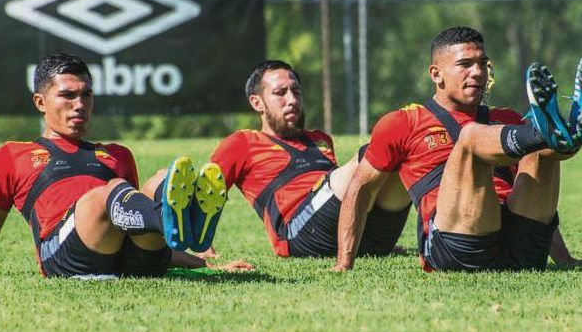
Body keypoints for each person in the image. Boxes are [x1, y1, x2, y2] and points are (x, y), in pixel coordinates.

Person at [0, 53, 252, 279]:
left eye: (87, 94)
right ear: (40, 103)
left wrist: (205, 264)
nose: (80, 104)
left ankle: (180, 226)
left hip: (131, 259)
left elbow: (134, 222)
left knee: (159, 181)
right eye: (68, 95)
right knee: (111, 192)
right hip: (64, 256)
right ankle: (179, 221)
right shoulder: (12, 155)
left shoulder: (118, 154)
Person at [333, 26, 582, 272]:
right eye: (465, 64)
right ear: (436, 74)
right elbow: (360, 188)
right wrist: (344, 263)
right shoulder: (404, 122)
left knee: (541, 152)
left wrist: (566, 260)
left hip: (521, 247)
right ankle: (551, 131)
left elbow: (534, 188)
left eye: (482, 63)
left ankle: (573, 132)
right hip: (459, 246)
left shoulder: (507, 120)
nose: (478, 72)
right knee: (472, 137)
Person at [169, 60, 414, 258]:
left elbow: (351, 192)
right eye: (280, 93)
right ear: (257, 103)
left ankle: (436, 235)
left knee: (401, 153)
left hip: (358, 237)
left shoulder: (320, 139)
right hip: (297, 235)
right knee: (370, 154)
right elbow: (206, 195)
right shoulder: (241, 143)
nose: (292, 100)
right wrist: (203, 250)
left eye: (296, 91)